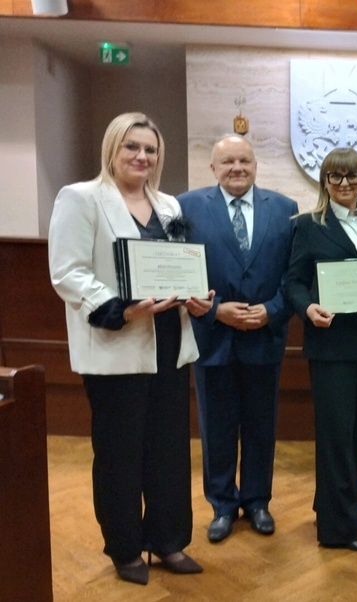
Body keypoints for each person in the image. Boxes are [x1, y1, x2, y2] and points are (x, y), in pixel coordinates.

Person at [48, 112, 212, 585]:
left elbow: (180, 266)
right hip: (117, 344)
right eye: (132, 147)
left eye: (150, 149)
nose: (142, 156)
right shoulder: (81, 198)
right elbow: (68, 273)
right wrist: (122, 309)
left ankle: (168, 540)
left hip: (168, 345)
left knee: (168, 449)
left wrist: (198, 297)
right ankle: (125, 548)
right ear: (113, 149)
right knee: (120, 454)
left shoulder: (169, 205)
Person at [177, 135, 298, 543]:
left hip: (265, 338)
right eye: (227, 161)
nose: (237, 168)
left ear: (256, 165)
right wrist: (216, 310)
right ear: (213, 168)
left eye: (244, 160)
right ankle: (223, 505)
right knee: (216, 427)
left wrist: (271, 311)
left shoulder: (284, 209)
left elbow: (294, 276)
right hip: (213, 338)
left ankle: (258, 501)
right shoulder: (185, 207)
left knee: (262, 425)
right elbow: (176, 270)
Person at [285, 147, 357, 553]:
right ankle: (341, 529)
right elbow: (293, 282)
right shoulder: (308, 225)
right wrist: (307, 308)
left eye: (353, 176)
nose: (345, 184)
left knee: (355, 435)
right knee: (336, 436)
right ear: (324, 181)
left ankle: (331, 506)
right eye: (335, 176)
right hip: (330, 343)